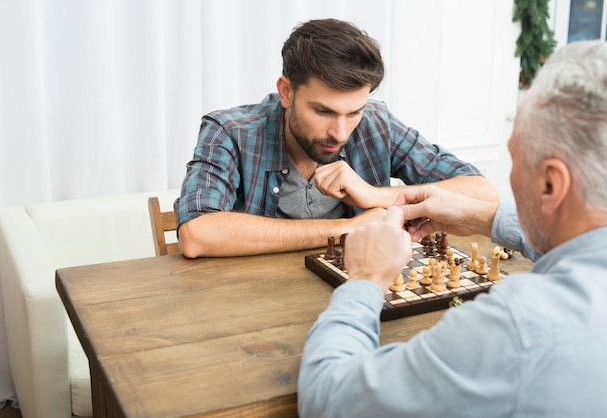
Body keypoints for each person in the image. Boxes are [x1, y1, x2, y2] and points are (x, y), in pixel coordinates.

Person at [298, 39, 607, 417]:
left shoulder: (517, 329)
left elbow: (328, 398)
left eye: (515, 159)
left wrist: (365, 280)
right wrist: (487, 218)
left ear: (550, 185)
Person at [173, 18, 498, 258]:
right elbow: (198, 233)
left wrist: (376, 196)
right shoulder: (229, 131)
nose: (340, 133)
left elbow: (482, 194)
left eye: (354, 112)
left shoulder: (376, 122)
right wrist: (346, 230)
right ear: (286, 92)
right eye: (323, 112)